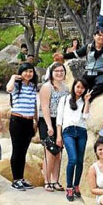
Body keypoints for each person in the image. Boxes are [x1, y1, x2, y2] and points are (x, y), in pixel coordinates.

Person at [56, 78, 91, 202]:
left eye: (82, 88)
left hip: (81, 131)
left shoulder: (84, 101)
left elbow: (86, 116)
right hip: (68, 131)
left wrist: (87, 101)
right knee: (73, 159)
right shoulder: (64, 100)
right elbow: (59, 119)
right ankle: (69, 187)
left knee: (80, 161)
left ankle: (76, 185)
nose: (80, 90)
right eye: (78, 87)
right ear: (74, 87)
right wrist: (58, 136)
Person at [6, 62, 38, 191]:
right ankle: (16, 180)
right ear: (21, 72)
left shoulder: (33, 86)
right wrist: (14, 77)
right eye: (25, 71)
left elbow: (34, 105)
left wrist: (35, 121)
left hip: (29, 122)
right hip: (17, 120)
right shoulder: (16, 86)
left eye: (31, 71)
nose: (28, 74)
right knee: (17, 150)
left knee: (24, 151)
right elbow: (8, 88)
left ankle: (21, 178)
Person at [38, 63, 69, 192]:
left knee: (58, 153)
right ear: (51, 73)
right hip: (47, 120)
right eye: (56, 71)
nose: (59, 73)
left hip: (60, 121)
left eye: (62, 71)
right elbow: (45, 106)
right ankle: (47, 180)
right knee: (49, 153)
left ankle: (55, 180)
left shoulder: (66, 88)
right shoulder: (47, 87)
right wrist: (49, 125)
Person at [63, 26, 103, 101]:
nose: (101, 37)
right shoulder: (88, 47)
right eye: (99, 35)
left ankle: (88, 98)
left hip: (101, 73)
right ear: (94, 36)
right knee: (78, 84)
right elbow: (76, 54)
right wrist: (63, 56)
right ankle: (73, 100)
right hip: (88, 72)